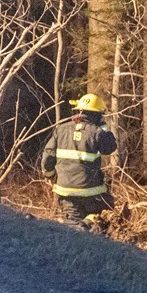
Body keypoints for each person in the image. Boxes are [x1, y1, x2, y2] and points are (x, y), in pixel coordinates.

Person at [41, 93, 117, 229]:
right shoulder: (97, 132)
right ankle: (88, 223)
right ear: (97, 115)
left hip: (66, 191)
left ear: (79, 111)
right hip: (91, 192)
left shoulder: (61, 129)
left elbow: (48, 156)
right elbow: (110, 147)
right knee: (105, 213)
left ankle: (80, 228)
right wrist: (104, 127)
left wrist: (50, 174)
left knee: (72, 226)